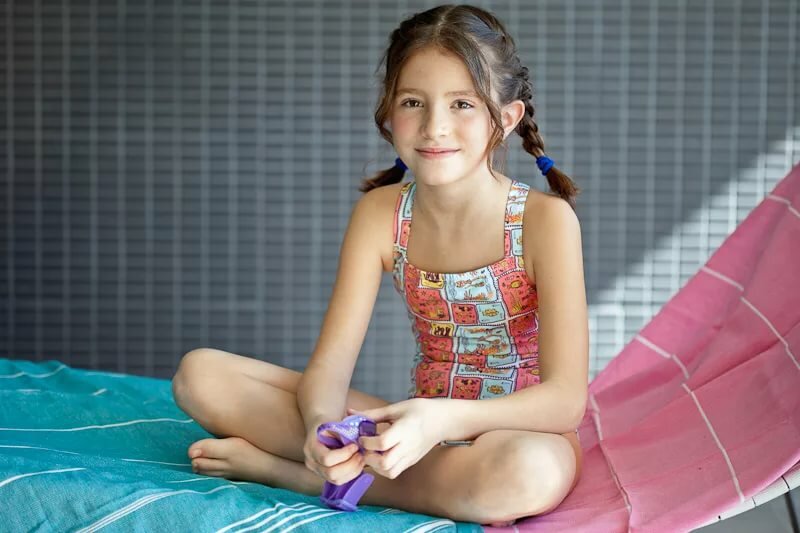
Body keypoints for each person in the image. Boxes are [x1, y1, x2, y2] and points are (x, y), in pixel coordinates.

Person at [171, 4, 588, 527]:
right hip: (409, 432)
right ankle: (342, 469)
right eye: (413, 102)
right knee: (200, 376)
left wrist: (441, 420)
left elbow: (565, 401)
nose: (435, 127)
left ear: (505, 119)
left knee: (527, 473)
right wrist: (320, 430)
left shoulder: (545, 220)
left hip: (517, 435)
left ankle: (296, 476)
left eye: (462, 103)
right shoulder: (380, 215)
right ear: (389, 114)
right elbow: (330, 368)